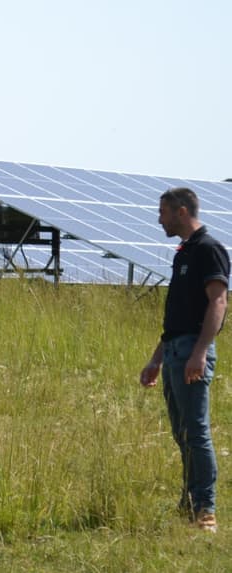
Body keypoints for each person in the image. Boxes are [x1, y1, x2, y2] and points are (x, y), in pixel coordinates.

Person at [140, 186, 230, 532]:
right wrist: (156, 359)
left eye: (162, 212)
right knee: (182, 432)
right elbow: (175, 318)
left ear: (180, 211)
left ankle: (206, 510)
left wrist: (200, 352)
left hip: (193, 351)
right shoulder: (183, 254)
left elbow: (218, 303)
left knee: (196, 431)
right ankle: (190, 501)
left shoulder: (209, 249)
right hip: (176, 350)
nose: (158, 218)